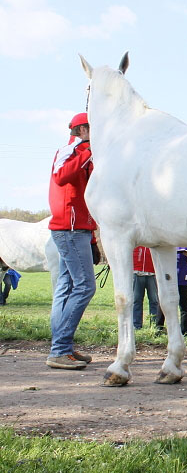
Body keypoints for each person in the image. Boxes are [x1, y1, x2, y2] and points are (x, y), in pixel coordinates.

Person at [46, 112, 97, 369]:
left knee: (66, 288)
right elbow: (61, 177)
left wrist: (93, 235)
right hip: (70, 229)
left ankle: (61, 347)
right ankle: (60, 349)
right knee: (86, 286)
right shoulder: (72, 150)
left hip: (76, 229)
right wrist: (88, 149)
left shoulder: (80, 151)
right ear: (83, 130)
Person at [155, 246, 187, 335]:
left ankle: (184, 331)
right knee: (163, 303)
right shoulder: (169, 239)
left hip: (183, 277)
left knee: (184, 306)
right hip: (168, 277)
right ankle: (159, 327)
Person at [132, 246, 159, 330]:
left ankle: (154, 325)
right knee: (136, 300)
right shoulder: (136, 242)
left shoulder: (152, 242)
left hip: (152, 274)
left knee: (154, 301)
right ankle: (136, 325)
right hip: (137, 273)